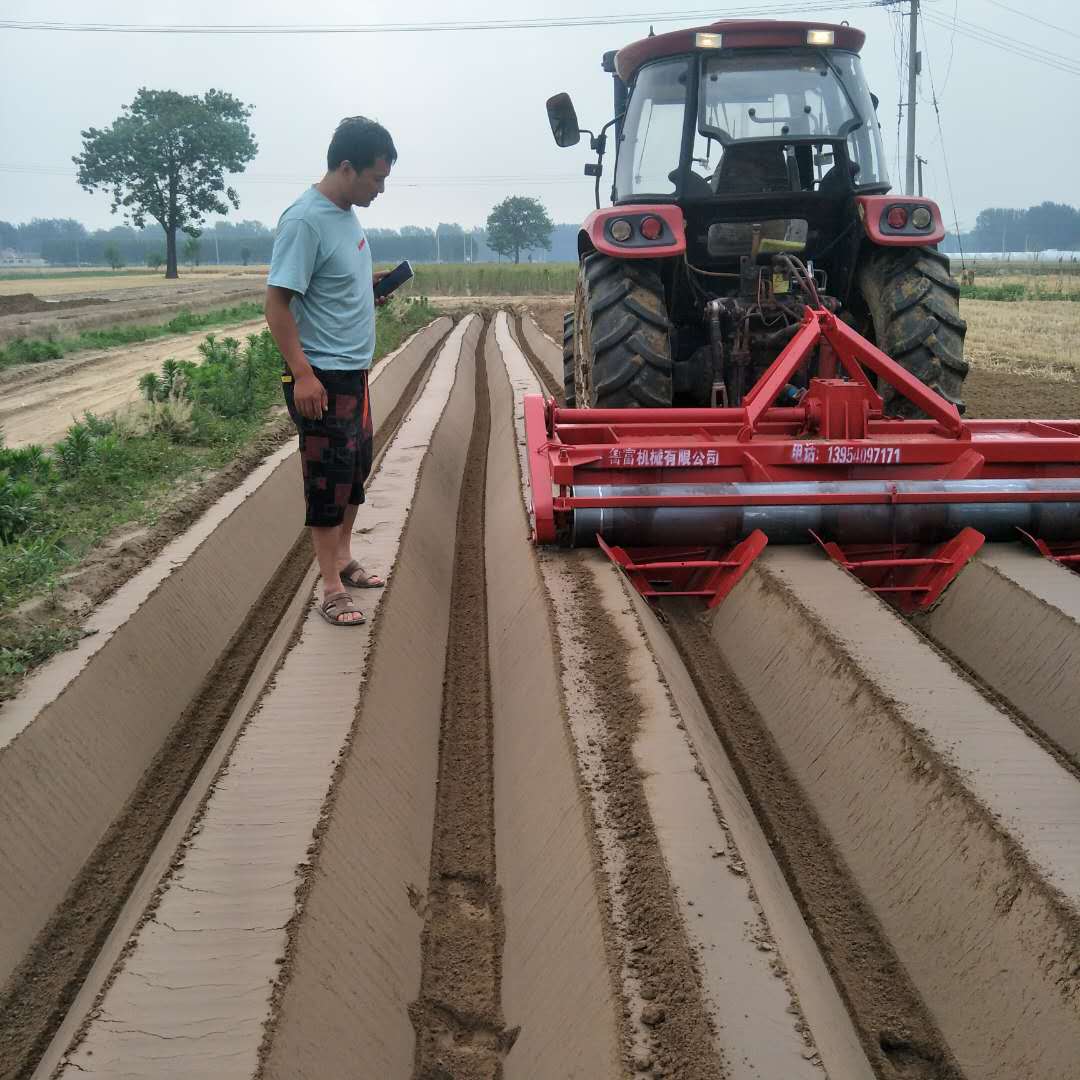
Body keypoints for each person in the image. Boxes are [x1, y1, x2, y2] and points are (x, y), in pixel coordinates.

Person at [265, 115, 395, 626]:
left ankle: (343, 558)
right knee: (326, 481)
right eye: (375, 179)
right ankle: (330, 587)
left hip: (354, 372)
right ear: (346, 168)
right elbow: (277, 305)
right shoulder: (305, 221)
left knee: (354, 472)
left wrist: (367, 291)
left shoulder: (346, 215)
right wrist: (302, 375)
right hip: (321, 376)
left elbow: (331, 284)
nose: (380, 189)